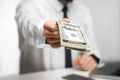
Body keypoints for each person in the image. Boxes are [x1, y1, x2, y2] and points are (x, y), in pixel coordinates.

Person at [15, 0, 104, 74]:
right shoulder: (29, 5)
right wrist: (46, 32)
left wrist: (92, 59)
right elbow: (29, 26)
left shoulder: (83, 11)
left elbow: (93, 49)